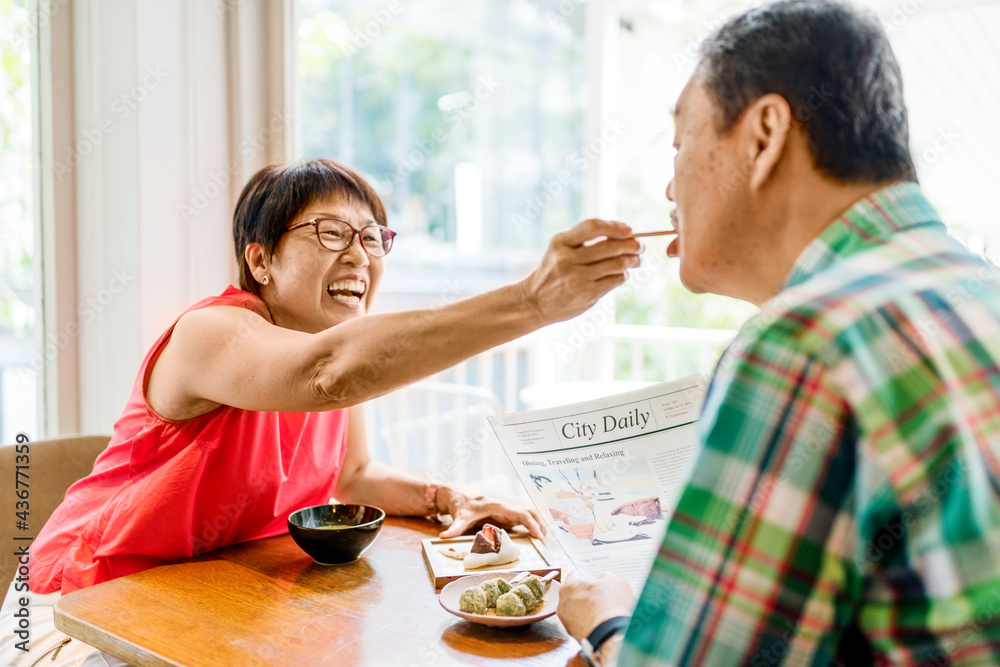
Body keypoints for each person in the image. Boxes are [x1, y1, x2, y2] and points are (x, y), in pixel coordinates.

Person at [0, 158, 641, 666]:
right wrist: (533, 301)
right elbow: (328, 374)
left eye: (371, 237)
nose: (360, 255)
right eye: (331, 233)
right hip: (74, 609)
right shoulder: (209, 333)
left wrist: (450, 496)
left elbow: (355, 476)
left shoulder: (326, 354)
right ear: (261, 259)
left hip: (205, 603)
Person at [556, 1, 1000, 665]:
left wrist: (609, 625)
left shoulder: (805, 344)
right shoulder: (975, 288)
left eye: (679, 146)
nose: (669, 188)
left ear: (764, 135)